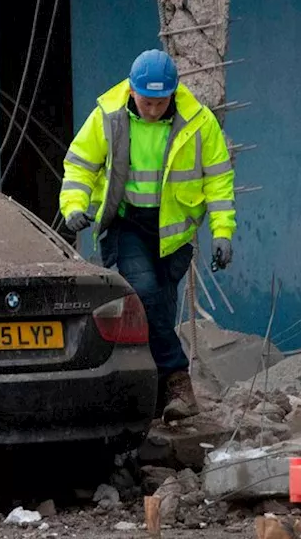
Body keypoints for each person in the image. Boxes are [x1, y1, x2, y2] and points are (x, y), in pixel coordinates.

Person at [59, 49, 236, 421]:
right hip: (127, 225)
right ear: (131, 91)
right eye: (146, 101)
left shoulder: (198, 123)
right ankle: (177, 378)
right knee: (143, 294)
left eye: (160, 102)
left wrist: (223, 232)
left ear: (173, 93)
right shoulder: (108, 116)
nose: (153, 109)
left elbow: (219, 180)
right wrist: (74, 207)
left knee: (159, 307)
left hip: (174, 233)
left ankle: (154, 399)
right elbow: (80, 165)